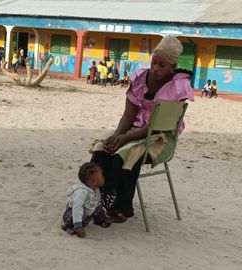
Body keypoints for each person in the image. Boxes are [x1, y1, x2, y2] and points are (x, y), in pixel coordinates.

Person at [90, 36, 194, 223]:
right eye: (154, 62)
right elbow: (129, 116)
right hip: (135, 128)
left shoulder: (178, 86)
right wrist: (117, 135)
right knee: (102, 150)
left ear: (172, 66)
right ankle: (97, 198)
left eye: (162, 65)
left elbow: (156, 128)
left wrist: (125, 139)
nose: (155, 68)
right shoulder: (140, 78)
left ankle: (121, 207)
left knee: (123, 156)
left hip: (161, 137)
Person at [61, 162, 111, 238]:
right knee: (75, 216)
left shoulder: (95, 187)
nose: (104, 178)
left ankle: (99, 219)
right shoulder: (81, 192)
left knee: (99, 206)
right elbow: (77, 208)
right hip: (75, 212)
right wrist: (78, 226)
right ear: (94, 181)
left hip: (89, 208)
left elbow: (96, 201)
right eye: (102, 176)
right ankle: (69, 226)